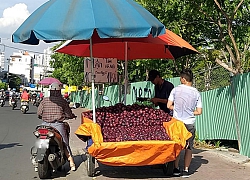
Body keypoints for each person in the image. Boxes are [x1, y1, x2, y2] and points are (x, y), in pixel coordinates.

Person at [167, 69, 202, 178]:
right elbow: (199, 111)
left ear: (183, 79)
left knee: (177, 145)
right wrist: (190, 112)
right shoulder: (196, 92)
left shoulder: (175, 90)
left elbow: (169, 106)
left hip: (177, 123)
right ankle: (186, 170)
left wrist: (177, 110)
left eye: (180, 77)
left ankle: (176, 168)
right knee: (189, 147)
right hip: (189, 123)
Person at [37, 82, 76, 171]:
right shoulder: (62, 101)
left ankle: (36, 161)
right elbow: (68, 113)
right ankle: (71, 162)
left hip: (44, 125)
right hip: (58, 125)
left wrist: (41, 116)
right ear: (59, 91)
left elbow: (39, 113)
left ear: (50, 91)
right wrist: (71, 116)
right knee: (64, 143)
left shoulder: (44, 100)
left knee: (40, 142)